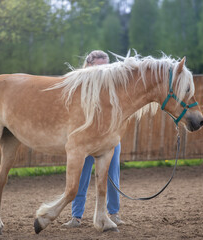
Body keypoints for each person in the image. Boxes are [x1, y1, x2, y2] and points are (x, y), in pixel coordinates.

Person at [63, 50, 124, 228]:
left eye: (107, 67)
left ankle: (114, 213)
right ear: (89, 65)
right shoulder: (78, 85)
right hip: (85, 138)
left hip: (108, 138)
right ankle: (76, 216)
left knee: (112, 176)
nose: (103, 71)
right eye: (99, 67)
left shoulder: (114, 87)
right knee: (81, 177)